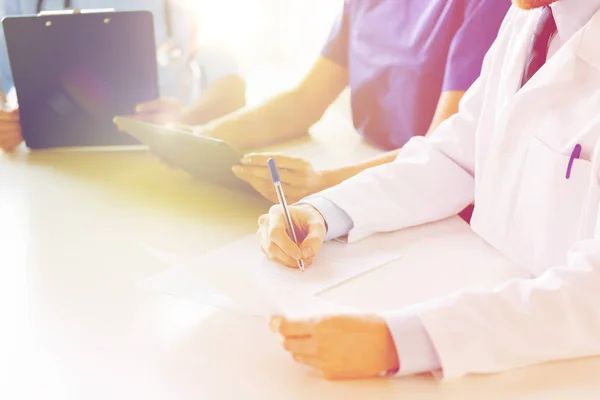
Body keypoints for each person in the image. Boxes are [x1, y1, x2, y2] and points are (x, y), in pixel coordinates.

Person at [258, 0, 600, 380]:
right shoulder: (529, 19)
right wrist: (327, 210)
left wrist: (402, 342)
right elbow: (457, 153)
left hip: (562, 368)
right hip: (486, 316)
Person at [150, 0, 509, 204]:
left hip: (429, 195)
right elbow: (304, 102)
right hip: (366, 164)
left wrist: (324, 183)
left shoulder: (488, 7)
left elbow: (442, 153)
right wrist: (202, 136)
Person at [0, 0, 246, 151]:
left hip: (159, 161)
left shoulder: (191, 8)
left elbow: (230, 86)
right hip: (51, 167)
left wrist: (185, 122)